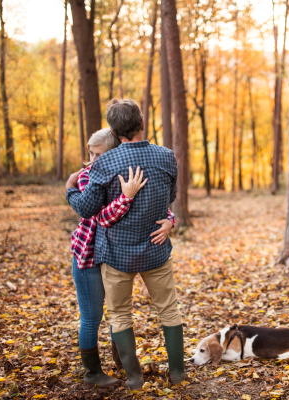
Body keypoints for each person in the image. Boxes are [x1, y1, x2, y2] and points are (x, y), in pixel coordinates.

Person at [65, 99, 184, 391]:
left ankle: (134, 378)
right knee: (169, 310)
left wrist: (69, 191)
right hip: (156, 249)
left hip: (117, 255)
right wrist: (167, 220)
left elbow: (88, 206)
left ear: (114, 131)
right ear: (141, 124)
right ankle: (178, 374)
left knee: (119, 314)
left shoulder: (104, 162)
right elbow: (169, 197)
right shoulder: (167, 156)